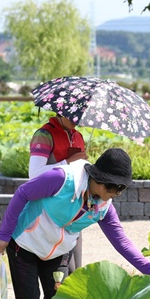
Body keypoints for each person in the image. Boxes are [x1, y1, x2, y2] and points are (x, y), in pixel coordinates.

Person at [0, 148, 150, 299]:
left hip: (58, 253)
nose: (118, 193)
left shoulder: (105, 207)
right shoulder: (61, 179)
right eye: (118, 188)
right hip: (24, 246)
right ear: (103, 181)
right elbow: (22, 193)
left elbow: (122, 242)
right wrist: (3, 235)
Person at [29, 114, 87, 274]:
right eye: (74, 116)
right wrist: (67, 163)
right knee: (58, 277)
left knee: (76, 273)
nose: (77, 120)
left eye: (80, 116)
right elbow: (34, 175)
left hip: (73, 211)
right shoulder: (44, 135)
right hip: (49, 214)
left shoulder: (78, 136)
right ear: (61, 111)